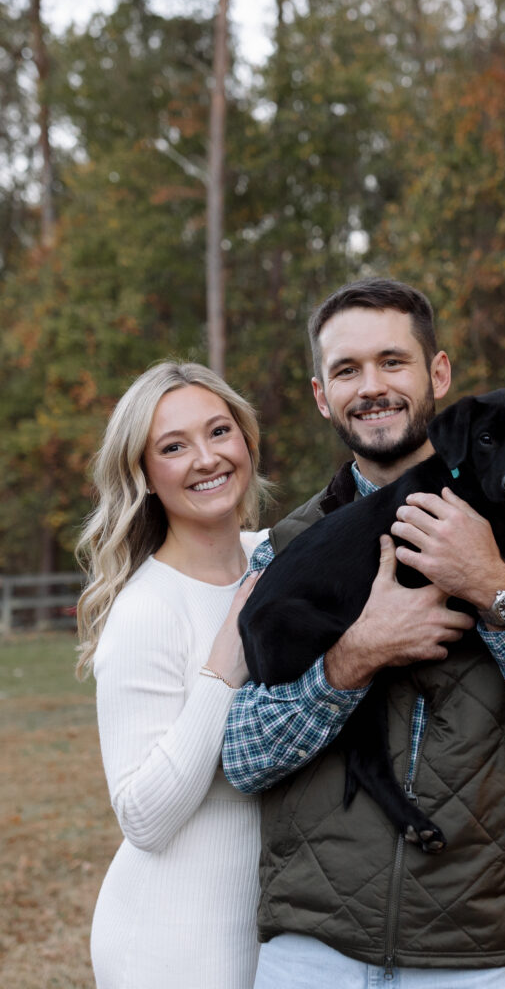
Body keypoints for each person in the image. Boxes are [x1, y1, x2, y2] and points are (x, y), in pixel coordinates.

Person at [223, 277, 505, 988]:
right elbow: (241, 758)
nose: (372, 386)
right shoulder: (280, 549)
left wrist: (495, 590)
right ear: (322, 395)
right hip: (313, 950)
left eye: (393, 361)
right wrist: (350, 659)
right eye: (347, 370)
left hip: (478, 952)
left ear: (437, 375)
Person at [76, 360, 271, 989]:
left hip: (276, 928)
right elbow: (143, 818)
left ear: (246, 440)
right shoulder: (147, 610)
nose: (207, 458)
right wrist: (222, 669)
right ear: (145, 475)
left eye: (219, 432)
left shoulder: (279, 557)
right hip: (175, 944)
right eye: (174, 446)